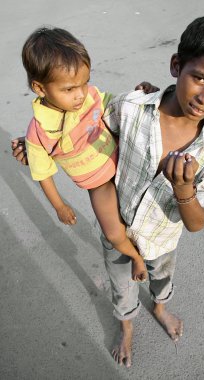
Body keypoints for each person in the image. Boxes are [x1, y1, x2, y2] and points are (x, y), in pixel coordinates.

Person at [12, 15, 204, 368]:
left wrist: (184, 190)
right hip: (119, 228)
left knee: (161, 277)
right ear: (176, 66)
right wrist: (36, 144)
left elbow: (197, 223)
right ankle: (126, 327)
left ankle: (159, 308)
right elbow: (85, 130)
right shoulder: (130, 108)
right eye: (199, 78)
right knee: (121, 285)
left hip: (163, 238)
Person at [15, 27, 154, 282]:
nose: (80, 94)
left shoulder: (88, 95)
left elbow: (113, 105)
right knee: (114, 234)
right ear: (40, 88)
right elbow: (43, 174)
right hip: (98, 184)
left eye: (85, 82)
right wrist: (59, 206)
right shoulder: (39, 133)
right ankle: (136, 258)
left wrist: (140, 97)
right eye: (69, 89)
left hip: (126, 160)